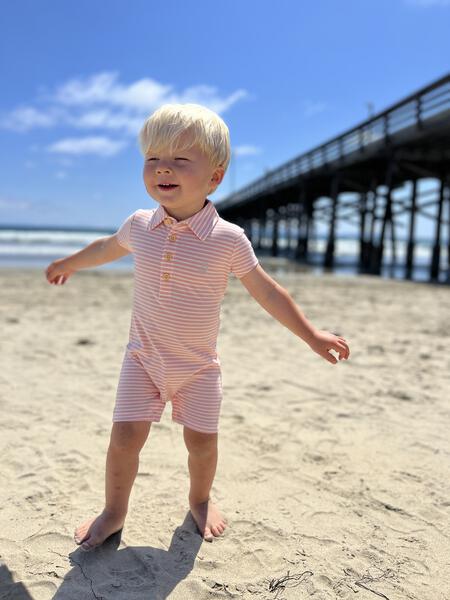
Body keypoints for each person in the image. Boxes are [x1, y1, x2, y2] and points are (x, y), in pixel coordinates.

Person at [45, 103, 350, 549]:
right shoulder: (140, 225)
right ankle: (113, 511)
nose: (162, 168)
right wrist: (68, 263)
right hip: (143, 360)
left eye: (180, 160)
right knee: (124, 438)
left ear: (215, 177)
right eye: (152, 158)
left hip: (199, 368)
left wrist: (312, 336)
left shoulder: (228, 239)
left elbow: (267, 291)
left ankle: (201, 499)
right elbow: (108, 248)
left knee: (202, 445)